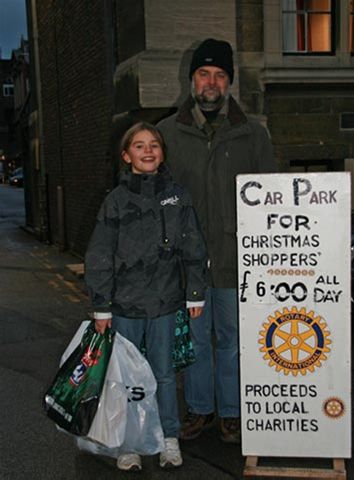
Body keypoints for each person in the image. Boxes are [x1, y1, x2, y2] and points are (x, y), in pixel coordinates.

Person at [157, 38, 277, 444]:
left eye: (220, 75)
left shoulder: (252, 135)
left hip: (235, 259)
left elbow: (273, 199)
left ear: (230, 82)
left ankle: (231, 412)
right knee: (193, 342)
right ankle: (200, 409)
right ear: (191, 79)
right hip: (185, 263)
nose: (211, 82)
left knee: (232, 340)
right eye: (204, 74)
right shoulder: (166, 134)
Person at [84, 122, 207, 471]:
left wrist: (195, 293)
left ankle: (169, 438)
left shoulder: (178, 196)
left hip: (165, 303)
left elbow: (193, 245)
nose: (148, 150)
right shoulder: (115, 201)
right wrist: (101, 306)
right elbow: (99, 255)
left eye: (154, 144)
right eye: (139, 146)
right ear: (127, 156)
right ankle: (129, 443)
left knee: (165, 374)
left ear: (162, 152)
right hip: (124, 307)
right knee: (125, 377)